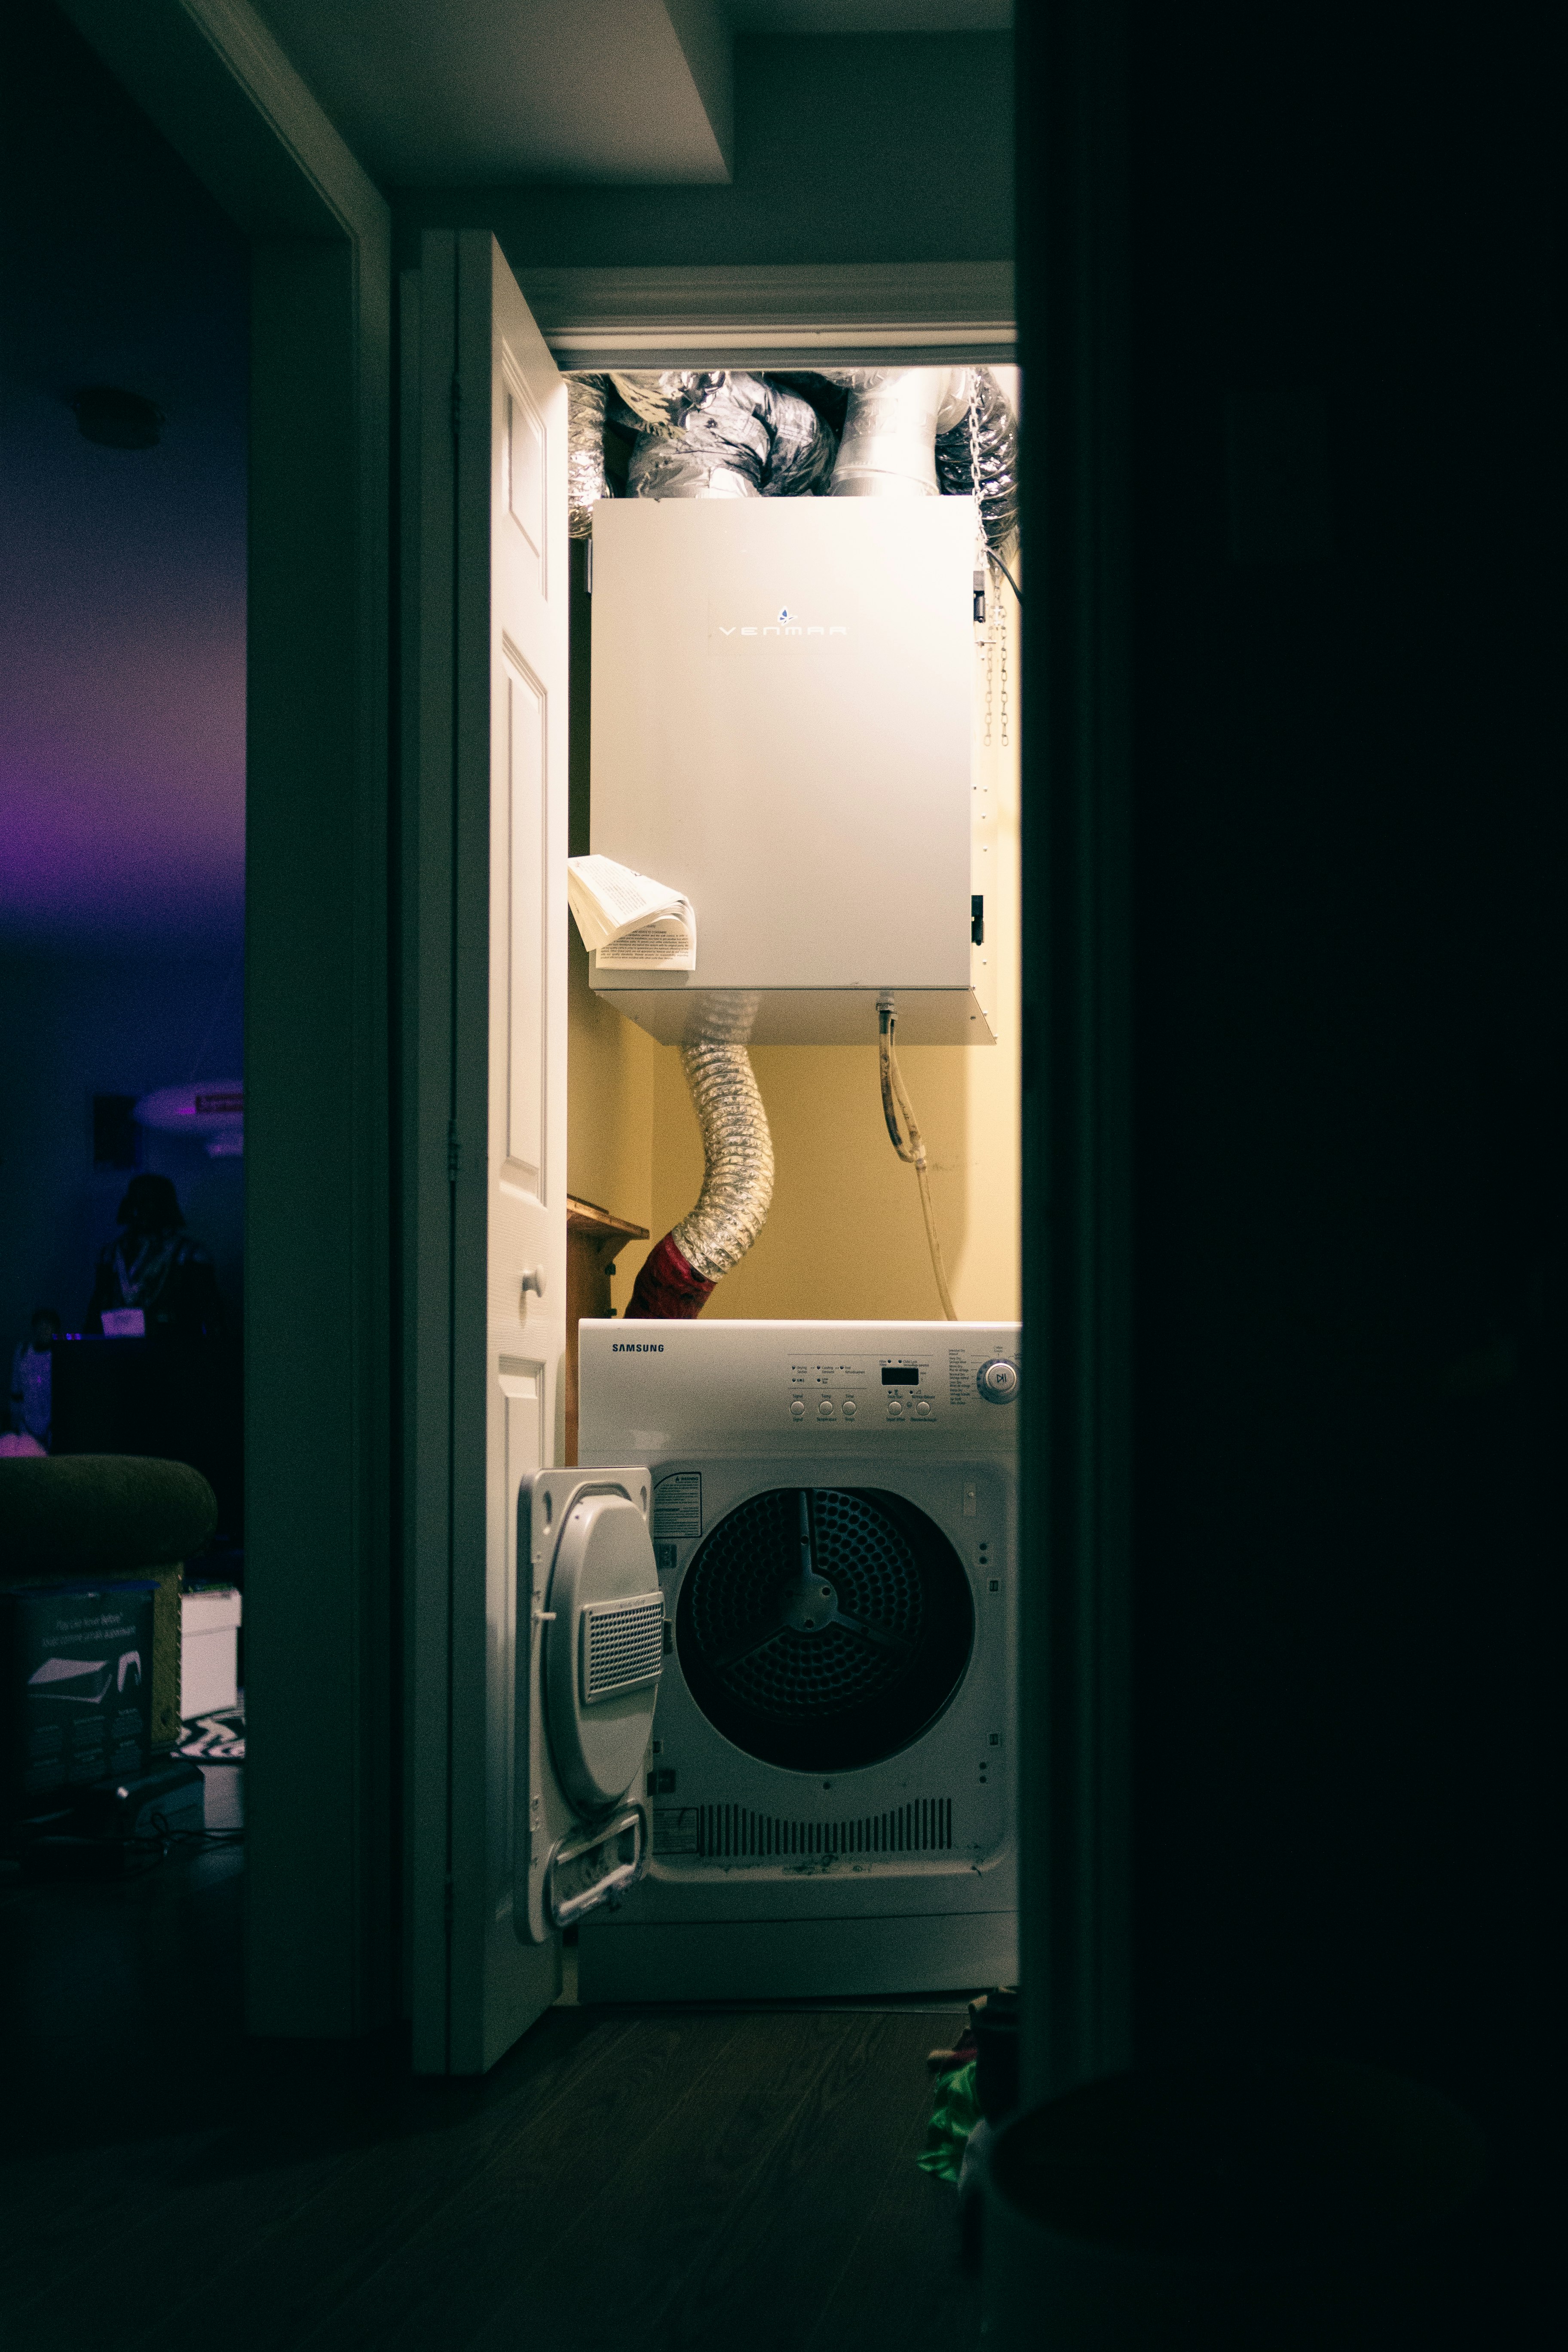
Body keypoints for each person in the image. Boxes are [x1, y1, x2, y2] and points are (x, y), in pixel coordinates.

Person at [88, 1174, 222, 1340]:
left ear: (163, 1205)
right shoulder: (110, 1254)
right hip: (119, 1353)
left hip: (173, 1355)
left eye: (147, 1203)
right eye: (135, 1203)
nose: (138, 1211)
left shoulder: (190, 1255)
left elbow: (211, 1315)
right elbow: (97, 1311)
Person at [9, 1306, 62, 1446]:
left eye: (48, 1325)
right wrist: (14, 1423)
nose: (44, 1329)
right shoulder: (23, 1352)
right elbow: (16, 1390)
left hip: (52, 1427)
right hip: (25, 1424)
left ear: (55, 1329)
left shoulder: (61, 1356)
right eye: (40, 1324)